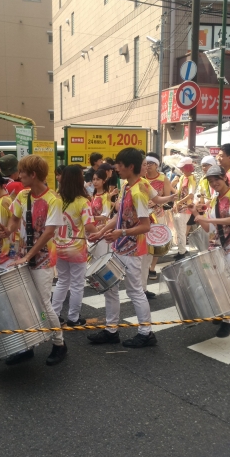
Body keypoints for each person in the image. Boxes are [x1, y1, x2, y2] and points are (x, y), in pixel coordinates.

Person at [87, 147, 157, 348]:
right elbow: (119, 217)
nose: (116, 167)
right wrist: (101, 233)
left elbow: (146, 225)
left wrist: (121, 233)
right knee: (110, 288)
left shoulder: (139, 191)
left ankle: (146, 333)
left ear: (130, 166)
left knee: (135, 291)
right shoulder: (127, 186)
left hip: (133, 250)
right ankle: (111, 330)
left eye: (119, 164)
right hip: (118, 247)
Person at [5, 154, 67, 366]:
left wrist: (28, 256)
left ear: (33, 174)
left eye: (22, 172)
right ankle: (27, 346)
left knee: (42, 303)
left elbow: (49, 233)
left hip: (42, 260)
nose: (19, 175)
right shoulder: (22, 195)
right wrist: (5, 235)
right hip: (23, 256)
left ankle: (59, 344)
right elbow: (13, 220)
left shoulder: (53, 200)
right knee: (22, 303)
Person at [193, 165, 230, 338]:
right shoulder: (215, 199)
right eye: (210, 181)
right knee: (216, 280)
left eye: (217, 179)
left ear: (225, 178)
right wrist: (196, 214)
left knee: (229, 281)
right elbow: (210, 227)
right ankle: (222, 311)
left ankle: (228, 320)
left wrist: (208, 218)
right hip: (218, 244)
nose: (214, 183)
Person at [52, 165, 95, 326]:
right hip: (76, 247)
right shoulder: (83, 202)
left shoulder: (56, 199)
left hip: (58, 245)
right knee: (77, 284)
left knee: (62, 281)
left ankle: (54, 314)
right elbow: (89, 227)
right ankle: (73, 318)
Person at [144, 153, 174, 282]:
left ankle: (152, 267)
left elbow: (167, 198)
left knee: (156, 243)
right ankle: (144, 267)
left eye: (151, 163)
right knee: (144, 242)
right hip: (143, 215)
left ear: (157, 165)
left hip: (158, 215)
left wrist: (156, 202)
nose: (148, 166)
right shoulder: (141, 178)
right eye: (146, 163)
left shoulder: (163, 179)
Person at [173, 157, 196, 260]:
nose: (181, 170)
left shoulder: (192, 178)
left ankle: (181, 252)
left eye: (183, 167)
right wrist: (175, 203)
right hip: (179, 207)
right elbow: (178, 193)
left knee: (181, 230)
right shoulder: (182, 177)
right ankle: (181, 249)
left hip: (186, 208)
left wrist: (178, 203)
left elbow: (191, 194)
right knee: (178, 230)